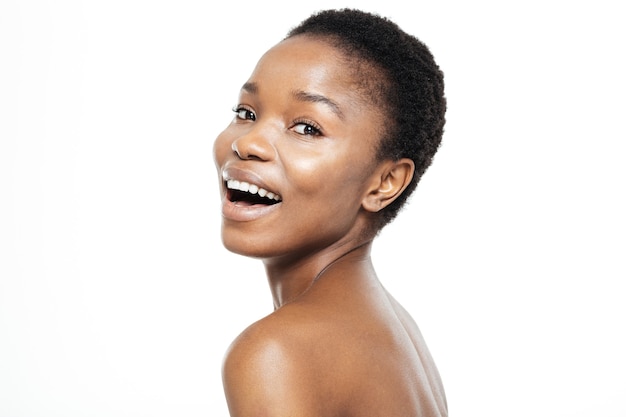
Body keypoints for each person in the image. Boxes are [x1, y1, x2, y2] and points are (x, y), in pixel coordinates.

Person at [213, 8, 447, 417]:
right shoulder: (393, 329)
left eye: (307, 128)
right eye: (246, 113)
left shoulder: (278, 353)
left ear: (384, 182)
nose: (249, 142)